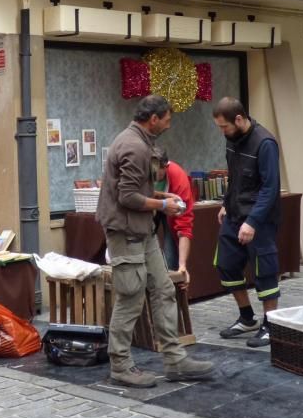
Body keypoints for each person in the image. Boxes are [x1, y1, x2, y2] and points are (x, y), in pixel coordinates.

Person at [96, 94, 214, 388]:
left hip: (141, 231)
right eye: (167, 119)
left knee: (163, 289)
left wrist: (162, 195)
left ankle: (175, 360)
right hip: (126, 233)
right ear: (153, 119)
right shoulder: (134, 147)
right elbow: (126, 197)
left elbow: (134, 189)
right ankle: (120, 365)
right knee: (131, 297)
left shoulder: (137, 142)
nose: (169, 125)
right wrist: (163, 207)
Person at [212, 96, 282, 348]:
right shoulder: (231, 141)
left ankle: (271, 324)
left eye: (224, 127)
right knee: (226, 264)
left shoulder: (265, 143)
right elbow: (234, 177)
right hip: (233, 214)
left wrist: (252, 222)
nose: (222, 132)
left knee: (264, 271)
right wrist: (225, 203)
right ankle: (247, 318)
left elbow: (270, 188)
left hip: (260, 219)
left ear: (239, 119)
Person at [152, 148, 195, 282]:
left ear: (165, 167)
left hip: (171, 210)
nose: (152, 176)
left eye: (156, 173)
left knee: (171, 258)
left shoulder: (178, 177)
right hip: (147, 209)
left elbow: (184, 226)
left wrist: (182, 265)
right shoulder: (141, 170)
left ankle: (172, 294)